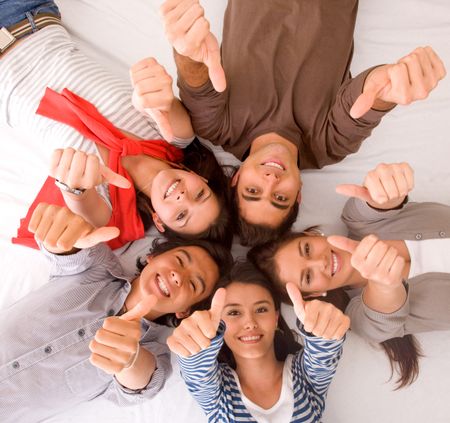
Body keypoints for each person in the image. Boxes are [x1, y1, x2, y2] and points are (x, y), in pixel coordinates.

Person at [159, 0, 446, 245]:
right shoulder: (329, 145)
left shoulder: (217, 127)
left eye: (253, 191)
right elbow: (363, 102)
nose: (271, 182)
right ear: (298, 196)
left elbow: (197, 79)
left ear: (236, 179)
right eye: (280, 198)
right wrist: (389, 87)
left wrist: (187, 49)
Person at [0, 1, 232, 250]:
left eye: (181, 216)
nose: (182, 197)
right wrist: (153, 94)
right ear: (200, 178)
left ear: (160, 223)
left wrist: (74, 189)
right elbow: (164, 106)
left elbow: (81, 201)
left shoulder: (109, 210)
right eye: (200, 195)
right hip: (26, 15)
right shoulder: (173, 136)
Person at [0, 202, 233, 422]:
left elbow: (140, 382)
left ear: (184, 311)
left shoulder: (156, 354)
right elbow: (68, 250)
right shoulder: (99, 267)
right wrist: (58, 235)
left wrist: (130, 361)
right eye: (180, 261)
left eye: (193, 284)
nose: (177, 276)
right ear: (153, 256)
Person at [249, 161, 450, 388]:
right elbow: (383, 312)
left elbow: (377, 201)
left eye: (307, 249)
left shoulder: (358, 219)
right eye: (308, 276)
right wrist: (384, 284)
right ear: (315, 292)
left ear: (313, 235)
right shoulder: (359, 319)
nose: (320, 262)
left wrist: (387, 188)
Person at [167, 262, 350, 422]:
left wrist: (323, 326)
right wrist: (195, 340)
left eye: (261, 309)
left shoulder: (306, 377)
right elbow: (196, 368)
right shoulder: (217, 395)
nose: (250, 323)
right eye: (233, 312)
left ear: (276, 318)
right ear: (218, 326)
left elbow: (324, 348)